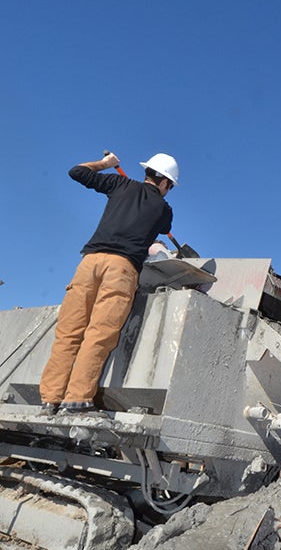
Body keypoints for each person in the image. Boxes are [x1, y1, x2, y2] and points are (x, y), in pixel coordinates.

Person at [39, 151, 178, 416]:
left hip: (89, 264)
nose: (168, 190)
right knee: (98, 336)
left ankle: (50, 400)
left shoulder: (120, 184)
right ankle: (77, 400)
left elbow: (77, 171)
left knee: (68, 333)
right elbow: (162, 227)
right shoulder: (164, 208)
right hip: (121, 268)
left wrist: (105, 165)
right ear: (164, 182)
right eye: (170, 186)